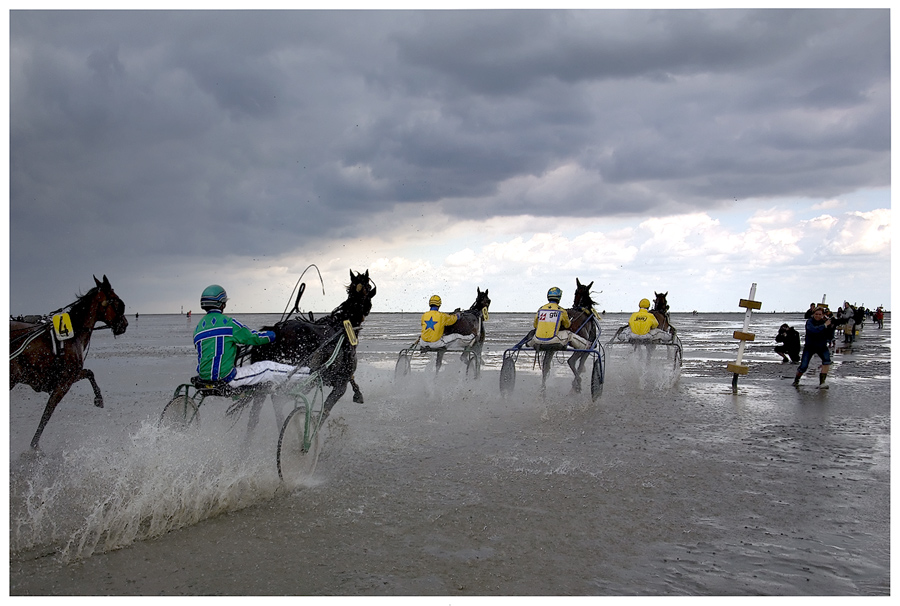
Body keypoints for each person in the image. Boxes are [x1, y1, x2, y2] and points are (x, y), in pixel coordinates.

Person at [193, 285, 307, 387]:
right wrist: (273, 335)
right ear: (222, 304)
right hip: (226, 378)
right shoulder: (228, 324)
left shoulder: (198, 329)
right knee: (267, 367)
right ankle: (307, 373)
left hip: (203, 379)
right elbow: (253, 338)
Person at [793, 307, 832, 389]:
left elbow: (830, 334)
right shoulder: (809, 322)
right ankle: (796, 380)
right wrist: (824, 325)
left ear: (823, 315)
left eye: (820, 314)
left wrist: (831, 326)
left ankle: (822, 382)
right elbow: (813, 330)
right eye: (816, 314)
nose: (818, 316)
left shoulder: (825, 322)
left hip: (821, 346)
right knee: (803, 366)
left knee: (827, 361)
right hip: (810, 346)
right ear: (813, 314)